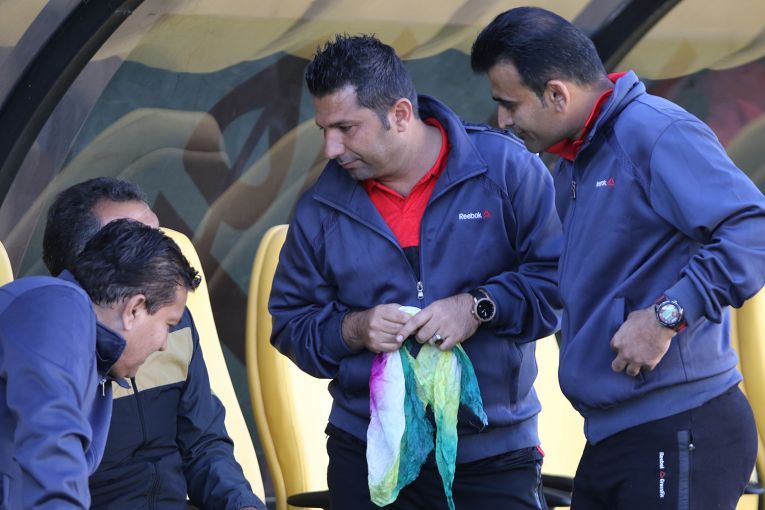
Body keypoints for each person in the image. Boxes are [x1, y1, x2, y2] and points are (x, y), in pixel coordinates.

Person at [471, 7, 765, 509]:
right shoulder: (573, 163)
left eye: (508, 103)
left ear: (557, 94)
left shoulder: (656, 131)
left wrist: (666, 317)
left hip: (680, 424)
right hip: (615, 433)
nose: (502, 120)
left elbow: (752, 229)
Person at [269, 34, 562, 510]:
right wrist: (353, 329)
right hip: (368, 453)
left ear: (401, 114)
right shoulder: (318, 209)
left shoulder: (507, 170)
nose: (330, 148)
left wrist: (477, 307)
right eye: (323, 129)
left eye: (346, 128)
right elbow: (289, 325)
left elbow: (558, 283)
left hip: (493, 451)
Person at [42, 177, 265, 510]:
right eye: (136, 242)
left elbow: (203, 444)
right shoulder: (44, 352)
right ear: (92, 265)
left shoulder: (176, 324)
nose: (163, 256)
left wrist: (242, 504)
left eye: (159, 238)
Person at [1, 219, 199, 509]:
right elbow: (52, 451)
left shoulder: (92, 350)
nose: (163, 344)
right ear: (134, 309)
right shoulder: (59, 310)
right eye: (168, 324)